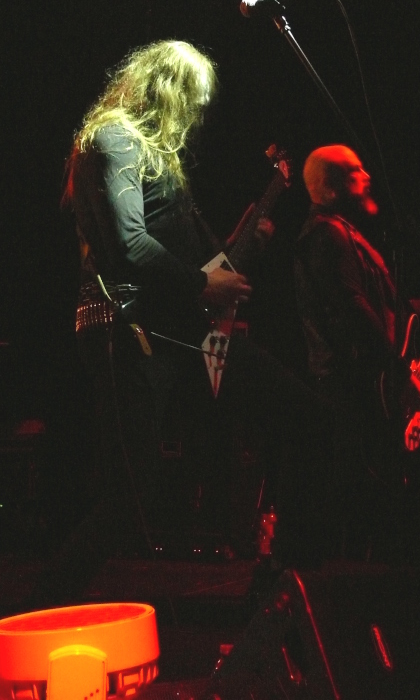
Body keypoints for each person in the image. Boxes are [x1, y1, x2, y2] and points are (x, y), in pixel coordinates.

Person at [29, 40, 329, 610]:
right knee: (129, 495)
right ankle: (40, 608)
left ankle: (283, 579)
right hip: (131, 332)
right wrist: (201, 284)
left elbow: (186, 257)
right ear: (165, 88)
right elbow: (129, 244)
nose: (194, 113)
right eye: (191, 98)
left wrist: (237, 256)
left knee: (299, 415)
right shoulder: (114, 137)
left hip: (178, 331)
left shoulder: (148, 151)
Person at [294, 144, 420, 563]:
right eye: (355, 171)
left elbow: (381, 304)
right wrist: (401, 372)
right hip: (362, 389)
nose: (368, 176)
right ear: (330, 190)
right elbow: (354, 310)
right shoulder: (326, 235)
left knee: (418, 473)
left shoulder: (344, 234)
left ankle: (410, 567)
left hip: (380, 383)